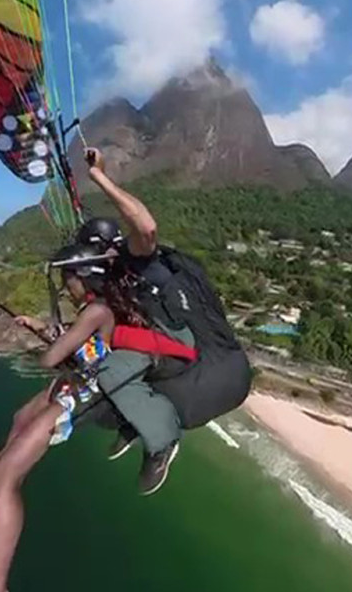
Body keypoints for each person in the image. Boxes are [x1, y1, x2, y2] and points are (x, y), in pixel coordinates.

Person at [0, 243, 183, 592]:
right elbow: (88, 345)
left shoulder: (97, 310)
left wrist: (44, 345)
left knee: (4, 481)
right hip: (83, 379)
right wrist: (42, 328)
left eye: (68, 280)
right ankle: (2, 460)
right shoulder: (102, 308)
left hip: (88, 393)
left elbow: (52, 359)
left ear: (84, 279)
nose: (65, 288)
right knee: (20, 417)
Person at [78, 149, 252, 442]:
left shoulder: (144, 262)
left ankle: (158, 434)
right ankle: (142, 420)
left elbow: (145, 228)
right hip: (229, 379)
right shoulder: (120, 283)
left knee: (103, 401)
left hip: (204, 385)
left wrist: (99, 176)